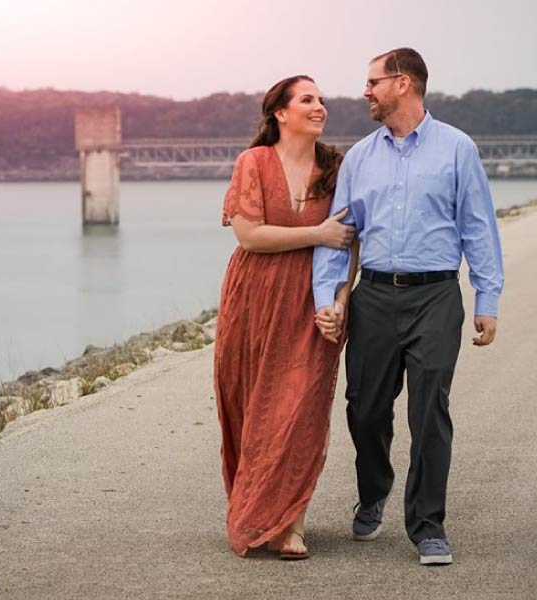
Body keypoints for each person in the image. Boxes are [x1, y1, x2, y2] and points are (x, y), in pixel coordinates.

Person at [312, 48, 504, 565]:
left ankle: (427, 524)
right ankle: (374, 490)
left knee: (429, 408)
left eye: (373, 81)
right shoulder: (359, 158)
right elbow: (340, 235)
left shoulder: (457, 149)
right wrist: (328, 299)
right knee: (364, 409)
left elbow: (478, 227)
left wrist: (487, 298)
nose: (365, 90)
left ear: (403, 83)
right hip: (373, 296)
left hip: (436, 296)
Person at [214, 75, 359, 560]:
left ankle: (291, 524)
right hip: (253, 299)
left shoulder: (336, 168)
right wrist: (317, 233)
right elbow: (250, 236)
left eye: (321, 100)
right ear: (280, 112)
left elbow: (348, 242)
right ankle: (258, 511)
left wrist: (340, 301)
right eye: (307, 100)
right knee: (252, 407)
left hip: (311, 302)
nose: (320, 107)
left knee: (302, 411)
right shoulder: (252, 163)